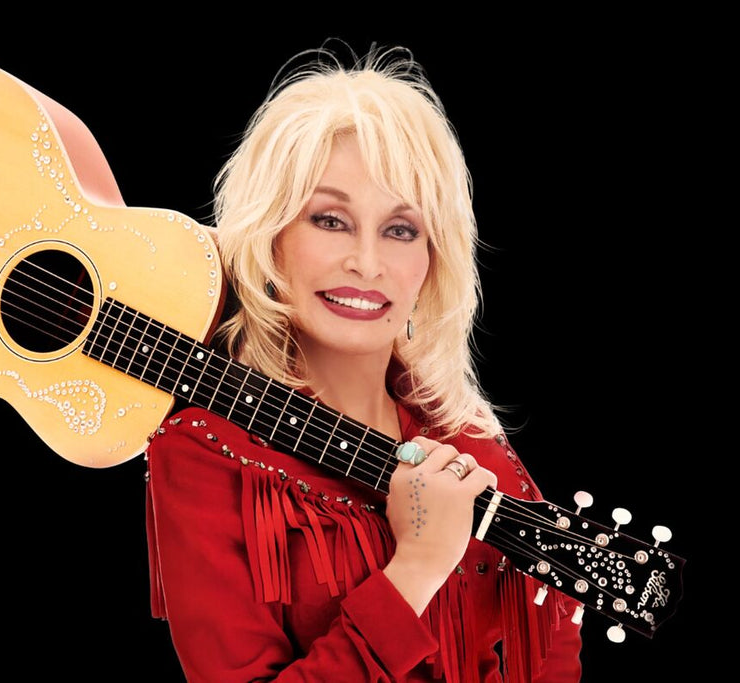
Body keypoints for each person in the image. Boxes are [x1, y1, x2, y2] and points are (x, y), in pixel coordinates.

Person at [143, 45, 583, 682]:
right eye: (331, 220)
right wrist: (415, 570)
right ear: (271, 237)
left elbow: (553, 658)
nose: (367, 263)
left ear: (432, 258)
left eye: (401, 230)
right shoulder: (203, 454)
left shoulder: (472, 444)